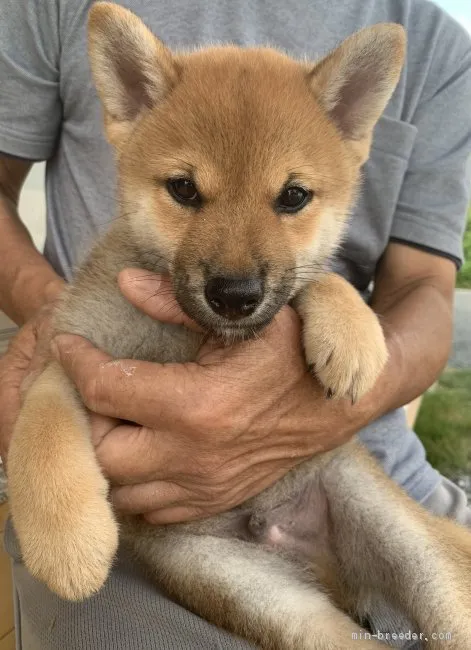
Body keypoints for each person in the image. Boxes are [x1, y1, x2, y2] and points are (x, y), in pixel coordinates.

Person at [0, 0, 470, 648]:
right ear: (127, 108)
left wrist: (329, 306)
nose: (236, 266)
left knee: (444, 589)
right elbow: (68, 367)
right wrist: (48, 450)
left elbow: (422, 287)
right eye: (186, 192)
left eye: (291, 197)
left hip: (335, 462)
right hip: (155, 511)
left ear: (350, 124)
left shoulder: (438, 47)